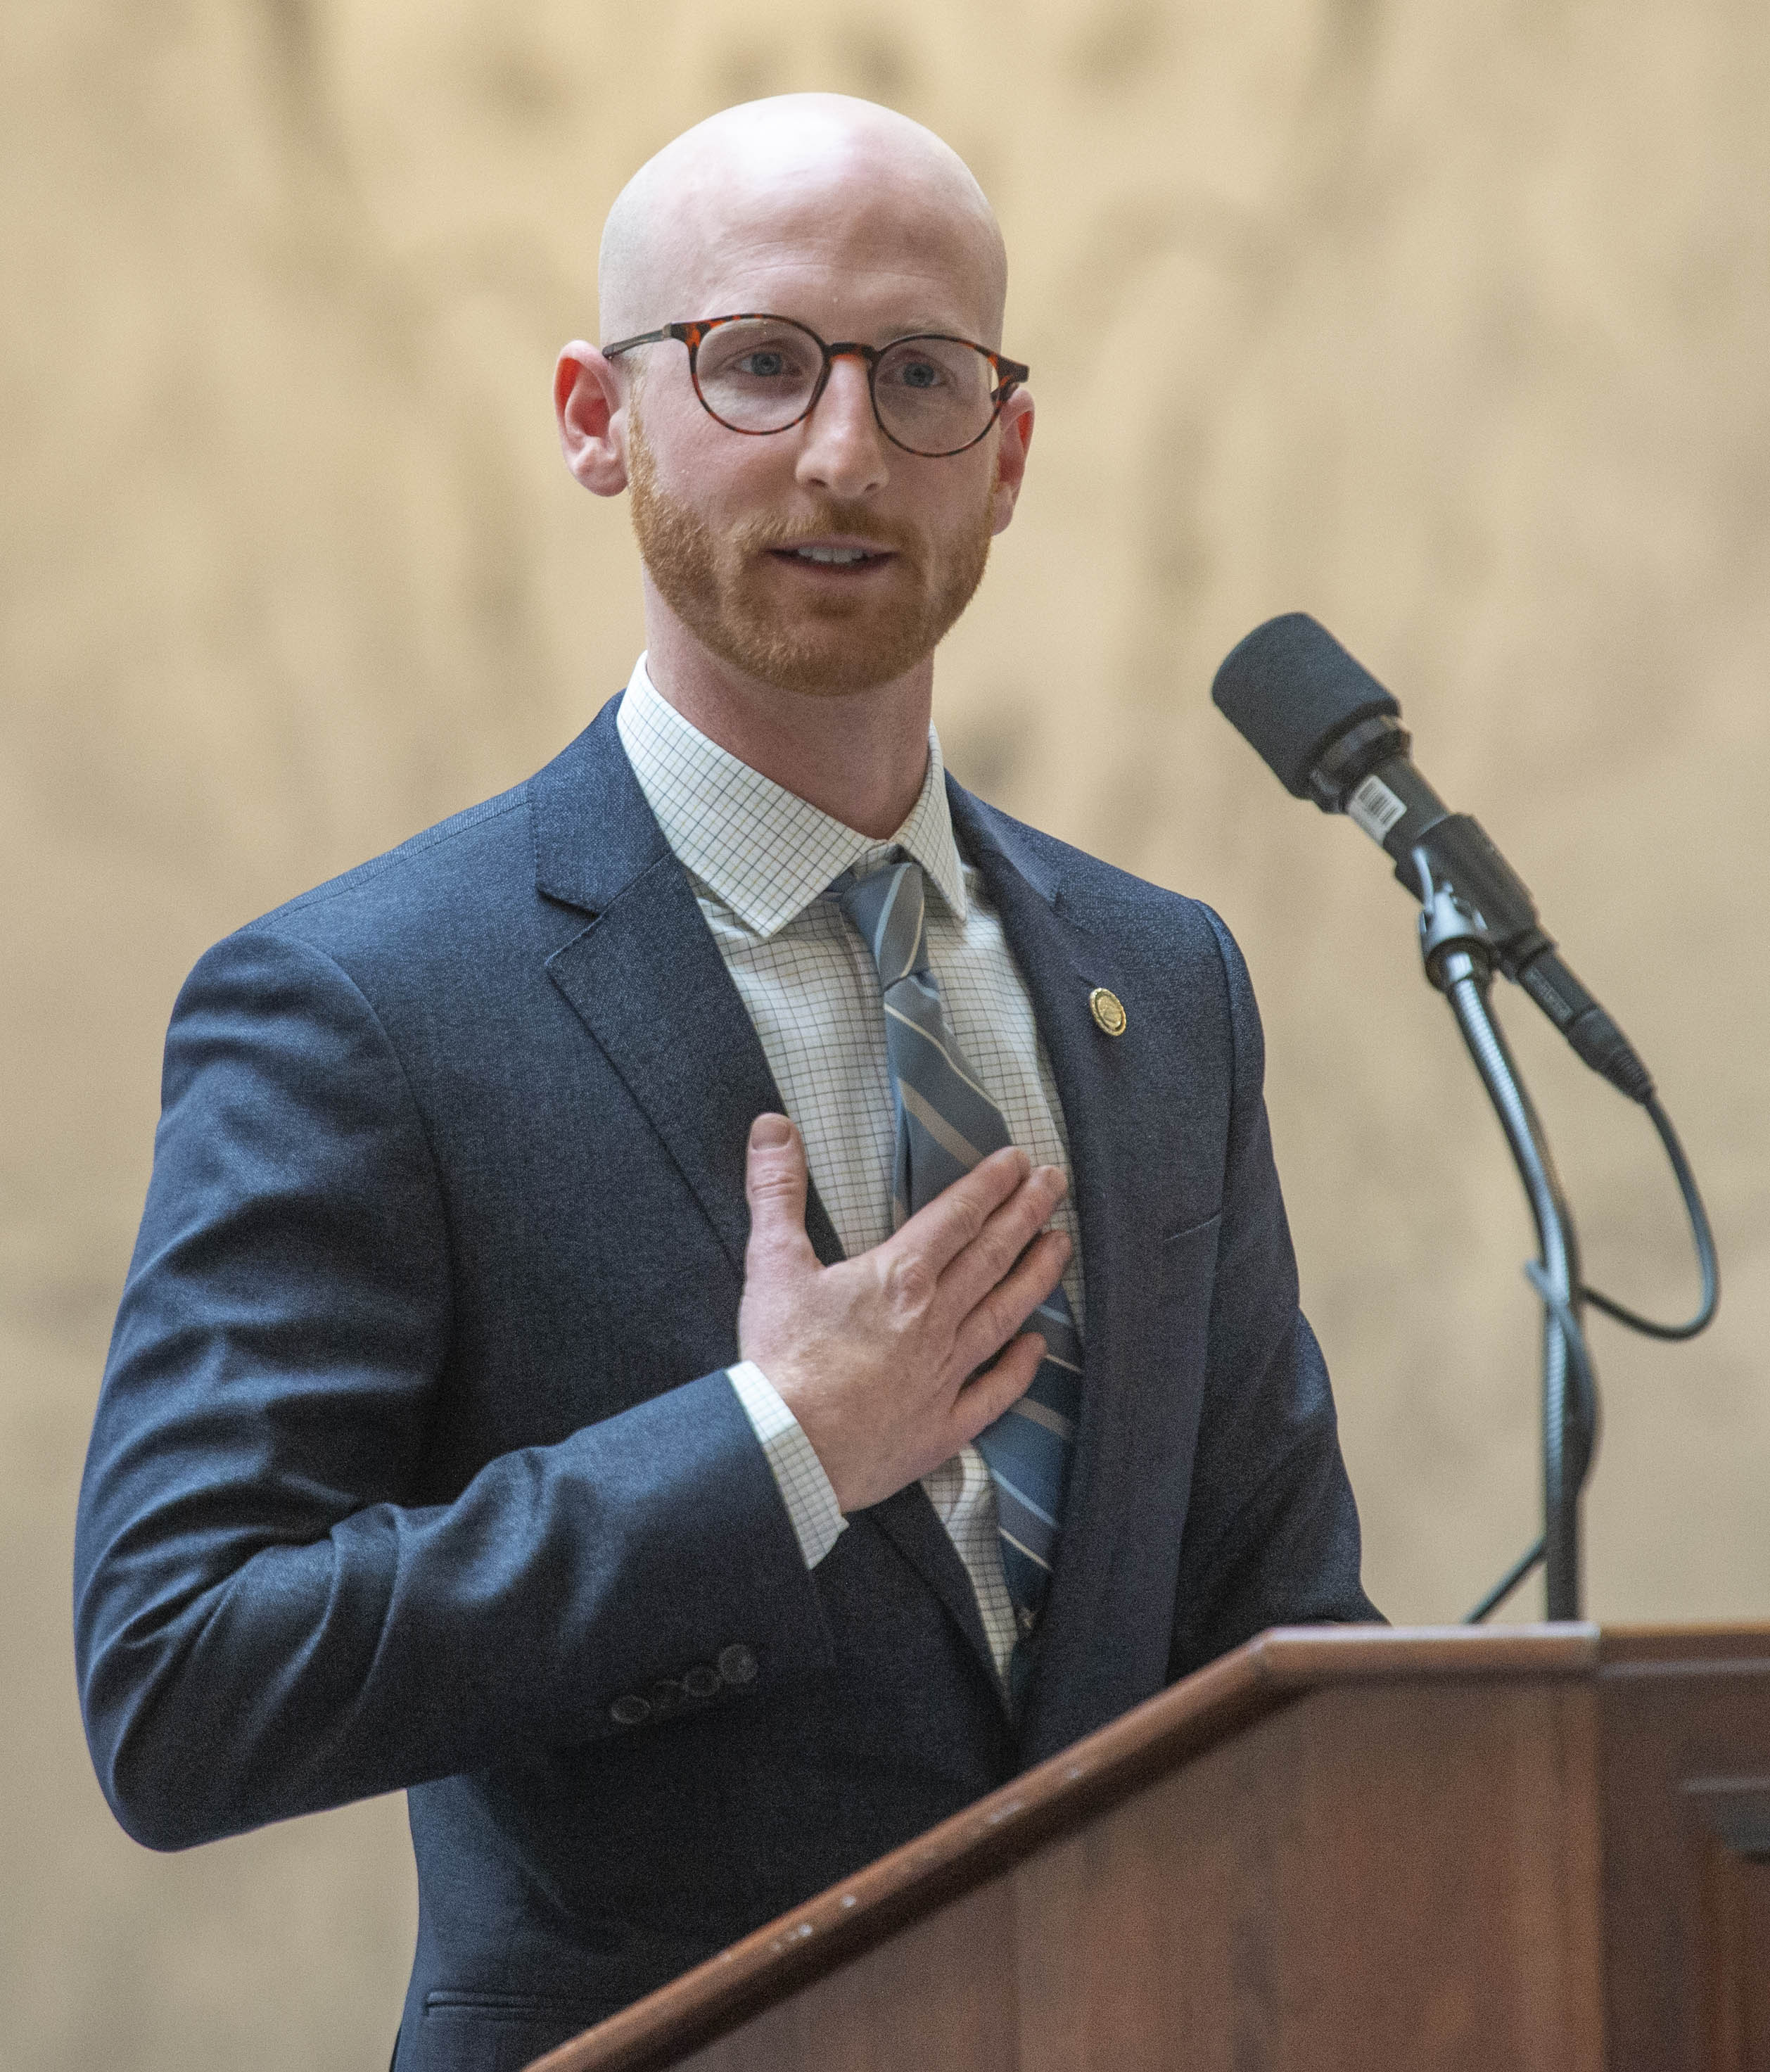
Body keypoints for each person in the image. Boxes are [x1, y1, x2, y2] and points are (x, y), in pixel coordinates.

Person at [75, 94, 1377, 2071]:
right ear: (601, 416)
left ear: (1006, 457)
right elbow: (181, 1680)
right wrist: (772, 1446)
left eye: (919, 377)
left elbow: (1280, 1630)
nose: (845, 451)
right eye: (759, 365)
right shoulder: (362, 1002)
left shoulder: (1159, 981)